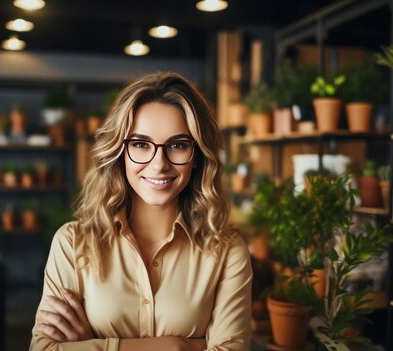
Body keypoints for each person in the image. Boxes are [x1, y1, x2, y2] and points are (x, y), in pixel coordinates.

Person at [30, 72, 252, 351]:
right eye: (140, 144)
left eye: (178, 145)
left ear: (197, 156)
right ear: (119, 152)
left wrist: (94, 345)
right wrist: (180, 346)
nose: (159, 164)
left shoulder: (227, 250)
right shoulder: (72, 244)